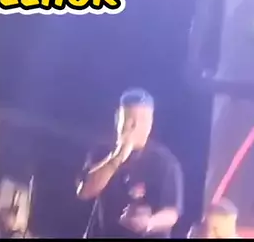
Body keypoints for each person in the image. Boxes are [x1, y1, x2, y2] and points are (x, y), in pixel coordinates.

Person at [77, 88, 183, 238]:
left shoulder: (165, 162)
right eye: (129, 120)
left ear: (150, 124)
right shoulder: (102, 152)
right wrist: (117, 158)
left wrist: (149, 222)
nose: (133, 128)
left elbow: (171, 212)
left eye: (141, 121)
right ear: (117, 120)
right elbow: (85, 191)